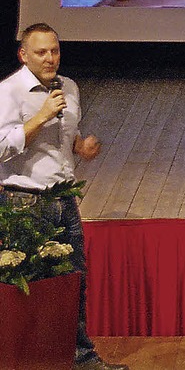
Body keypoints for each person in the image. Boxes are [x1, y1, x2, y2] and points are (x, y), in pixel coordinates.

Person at [0, 23, 128, 370]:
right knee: (28, 286)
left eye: (55, 50)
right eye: (41, 52)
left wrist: (80, 146)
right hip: (23, 200)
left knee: (73, 281)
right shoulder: (9, 92)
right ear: (23, 55)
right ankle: (28, 358)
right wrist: (39, 118)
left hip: (64, 198)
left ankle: (79, 357)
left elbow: (67, 136)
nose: (50, 58)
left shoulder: (68, 87)